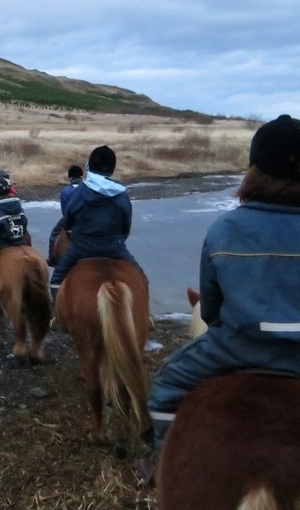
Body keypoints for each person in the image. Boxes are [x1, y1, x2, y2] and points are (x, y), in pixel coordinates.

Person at [141, 114, 300, 477]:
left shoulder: (225, 228)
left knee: (166, 385)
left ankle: (164, 465)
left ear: (254, 169)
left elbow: (210, 308)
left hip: (240, 346)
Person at [48, 145, 142, 300]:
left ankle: (57, 318)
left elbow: (69, 221)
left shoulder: (80, 191)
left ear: (90, 166)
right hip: (114, 247)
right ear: (112, 168)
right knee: (141, 277)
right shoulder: (121, 194)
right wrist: (116, 241)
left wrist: (74, 236)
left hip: (82, 247)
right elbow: (126, 226)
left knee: (56, 280)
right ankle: (146, 318)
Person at [46, 165, 84, 266]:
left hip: (70, 219)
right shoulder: (87, 188)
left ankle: (52, 258)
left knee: (54, 234)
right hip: (87, 218)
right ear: (81, 176)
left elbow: (64, 211)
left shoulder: (66, 191)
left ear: (70, 177)